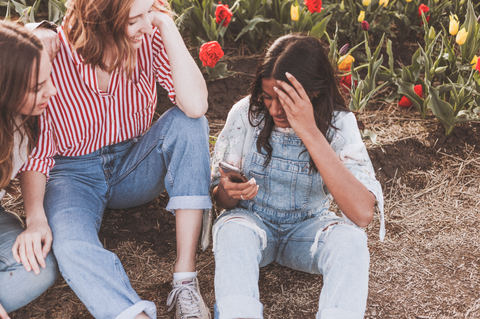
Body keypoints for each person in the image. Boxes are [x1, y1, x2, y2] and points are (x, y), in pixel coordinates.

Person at [23, 0, 212, 318]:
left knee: (191, 123)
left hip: (133, 163)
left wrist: (166, 25)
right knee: (70, 245)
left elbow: (195, 106)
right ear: (99, 20)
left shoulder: (148, 37)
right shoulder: (53, 51)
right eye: (135, 19)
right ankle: (131, 313)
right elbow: (37, 149)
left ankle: (185, 280)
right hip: (72, 175)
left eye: (149, 13)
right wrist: (35, 219)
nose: (147, 25)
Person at [210, 34, 385, 319]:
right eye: (268, 97)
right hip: (252, 223)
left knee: (351, 242)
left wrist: (309, 130)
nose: (275, 109)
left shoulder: (338, 125)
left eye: (285, 100)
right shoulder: (246, 114)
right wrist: (229, 191)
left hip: (308, 228)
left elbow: (362, 214)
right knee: (232, 231)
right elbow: (222, 200)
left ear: (313, 93)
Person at [0, 21, 59, 319]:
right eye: (37, 87)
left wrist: (43, 29)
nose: (53, 90)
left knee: (39, 267)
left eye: (49, 78)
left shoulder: (23, 122)